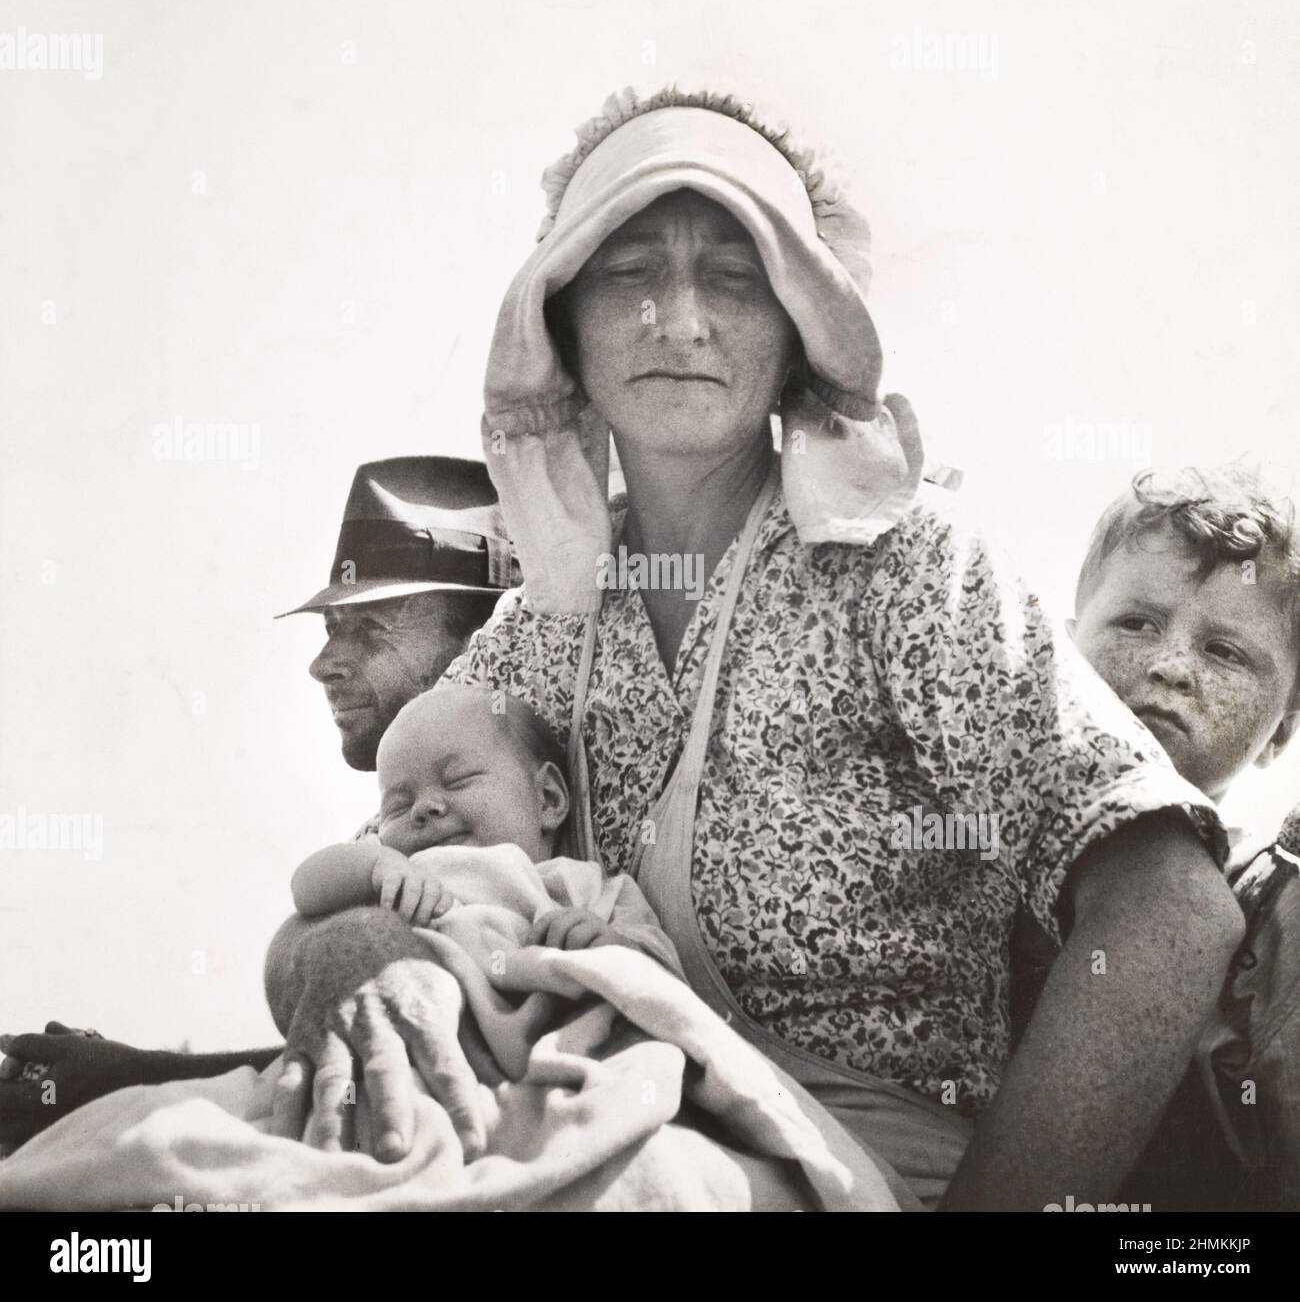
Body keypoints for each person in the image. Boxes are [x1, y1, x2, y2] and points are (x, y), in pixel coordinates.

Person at [261, 87, 1243, 1210]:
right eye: (629, 273)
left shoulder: (904, 565)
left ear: (796, 330)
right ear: (563, 331)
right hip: (598, 1099)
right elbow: (351, 894)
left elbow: (1169, 908)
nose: (678, 321)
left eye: (733, 276)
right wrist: (362, 970)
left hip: (862, 1155)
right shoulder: (541, 629)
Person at [0, 456, 515, 1150]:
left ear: (480, 640)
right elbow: (344, 1053)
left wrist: (131, 1079)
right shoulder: (394, 828)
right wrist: (131, 1074)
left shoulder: (516, 805)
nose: (323, 663)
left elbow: (451, 1069)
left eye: (368, 627)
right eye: (332, 628)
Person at [1061, 464, 1300, 1208]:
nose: (1169, 667)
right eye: (1136, 623)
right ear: (1057, 654)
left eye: (1224, 653)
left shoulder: (1270, 918)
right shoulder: (978, 840)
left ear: (1281, 730)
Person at [291, 685, 681, 974]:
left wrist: (610, 945)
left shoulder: (582, 886)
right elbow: (305, 888)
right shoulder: (394, 872)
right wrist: (376, 866)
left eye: (457, 780)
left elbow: (666, 980)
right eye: (398, 804)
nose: (424, 807)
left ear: (546, 798)